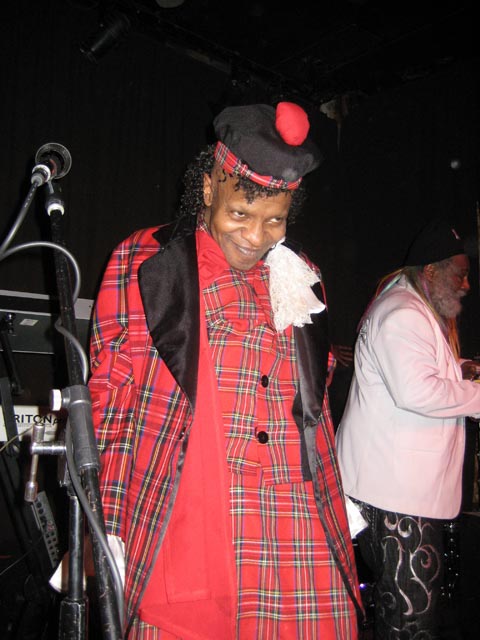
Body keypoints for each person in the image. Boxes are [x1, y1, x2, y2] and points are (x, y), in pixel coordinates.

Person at [88, 101, 364, 639]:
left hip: (293, 509)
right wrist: (105, 526)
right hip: (188, 505)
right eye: (241, 214)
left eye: (274, 220)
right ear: (210, 187)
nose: (256, 236)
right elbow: (111, 405)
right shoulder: (147, 261)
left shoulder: (300, 274)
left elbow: (316, 401)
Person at [335, 218, 480, 639]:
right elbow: (417, 391)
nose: (467, 285)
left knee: (406, 612)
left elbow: (420, 371)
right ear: (431, 271)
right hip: (393, 495)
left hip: (397, 491)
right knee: (410, 618)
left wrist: (462, 369)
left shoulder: (409, 306)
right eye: (460, 274)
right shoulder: (402, 313)